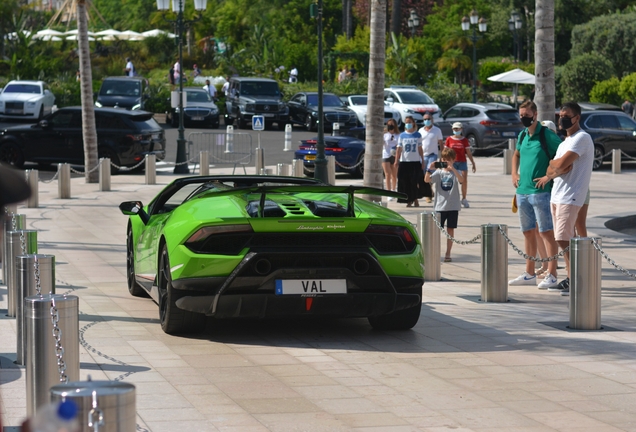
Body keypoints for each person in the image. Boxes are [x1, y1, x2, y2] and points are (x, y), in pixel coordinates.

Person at [534, 102, 594, 296]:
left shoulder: (582, 138)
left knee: (562, 237)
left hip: (571, 195)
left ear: (577, 118)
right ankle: (572, 277)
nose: (562, 119)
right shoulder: (563, 143)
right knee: (563, 238)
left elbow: (560, 165)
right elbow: (552, 169)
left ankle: (576, 277)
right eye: (560, 115)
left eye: (566, 115)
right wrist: (556, 166)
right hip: (557, 195)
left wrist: (557, 165)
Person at [508, 101, 562, 289]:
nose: (523, 118)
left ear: (535, 114)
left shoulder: (547, 135)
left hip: (541, 193)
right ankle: (529, 273)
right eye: (521, 115)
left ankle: (552, 274)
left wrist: (549, 176)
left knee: (546, 232)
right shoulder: (523, 135)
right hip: (522, 192)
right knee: (527, 232)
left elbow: (564, 157)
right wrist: (514, 173)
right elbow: (516, 155)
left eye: (526, 115)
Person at [425, 147, 464, 262]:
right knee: (436, 230)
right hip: (440, 206)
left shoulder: (456, 172)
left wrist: (453, 169)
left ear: (453, 159)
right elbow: (427, 180)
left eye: (448, 159)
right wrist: (430, 168)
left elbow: (461, 180)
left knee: (450, 230)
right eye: (444, 159)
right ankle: (435, 252)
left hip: (453, 206)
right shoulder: (439, 172)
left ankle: (448, 252)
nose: (446, 161)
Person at [394, 116, 423, 207]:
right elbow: (398, 149)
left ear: (413, 123)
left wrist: (422, 160)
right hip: (404, 161)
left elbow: (420, 148)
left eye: (410, 122)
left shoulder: (418, 135)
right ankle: (408, 200)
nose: (408, 124)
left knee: (414, 181)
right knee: (405, 181)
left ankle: (415, 199)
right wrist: (396, 160)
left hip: (415, 161)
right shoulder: (402, 135)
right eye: (406, 122)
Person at [444, 122, 476, 207]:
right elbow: (445, 152)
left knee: (464, 180)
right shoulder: (449, 139)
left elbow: (468, 152)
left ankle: (464, 198)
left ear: (461, 129)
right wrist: (443, 163)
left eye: (457, 129)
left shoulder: (464, 140)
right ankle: (450, 198)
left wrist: (473, 163)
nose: (456, 130)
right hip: (452, 162)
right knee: (451, 181)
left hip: (462, 162)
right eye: (454, 129)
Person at [419, 113, 444, 203]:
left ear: (432, 119)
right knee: (424, 175)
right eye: (425, 119)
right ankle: (430, 191)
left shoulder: (437, 130)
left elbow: (441, 143)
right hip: (423, 156)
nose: (427, 121)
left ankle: (428, 195)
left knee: (431, 173)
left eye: (428, 119)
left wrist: (442, 156)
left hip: (433, 155)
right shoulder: (421, 130)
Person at [382, 119, 399, 195]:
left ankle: (393, 189)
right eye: (389, 124)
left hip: (394, 155)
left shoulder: (398, 135)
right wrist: (383, 133)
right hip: (386, 155)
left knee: (394, 175)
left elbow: (399, 145)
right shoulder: (385, 134)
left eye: (392, 124)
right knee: (387, 174)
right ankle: (388, 191)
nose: (391, 126)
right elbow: (382, 144)